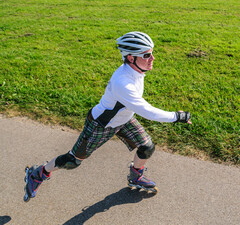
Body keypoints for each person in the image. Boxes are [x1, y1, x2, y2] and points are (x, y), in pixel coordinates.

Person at [24, 31, 191, 201]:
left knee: (147, 147)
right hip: (101, 124)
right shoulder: (123, 82)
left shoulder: (136, 71)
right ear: (131, 58)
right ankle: (37, 174)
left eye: (152, 53)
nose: (152, 58)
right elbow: (147, 111)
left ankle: (135, 177)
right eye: (146, 55)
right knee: (72, 161)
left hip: (124, 120)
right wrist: (178, 116)